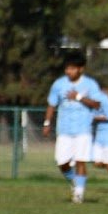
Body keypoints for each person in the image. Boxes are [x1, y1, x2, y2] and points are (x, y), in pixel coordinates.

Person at [42, 51, 102, 203]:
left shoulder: (90, 84)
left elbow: (96, 104)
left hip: (83, 129)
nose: (69, 71)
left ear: (81, 69)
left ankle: (79, 194)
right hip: (64, 130)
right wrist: (47, 123)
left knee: (81, 160)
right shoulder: (59, 84)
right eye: (67, 68)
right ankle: (76, 183)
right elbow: (51, 104)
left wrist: (79, 97)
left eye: (72, 68)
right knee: (61, 162)